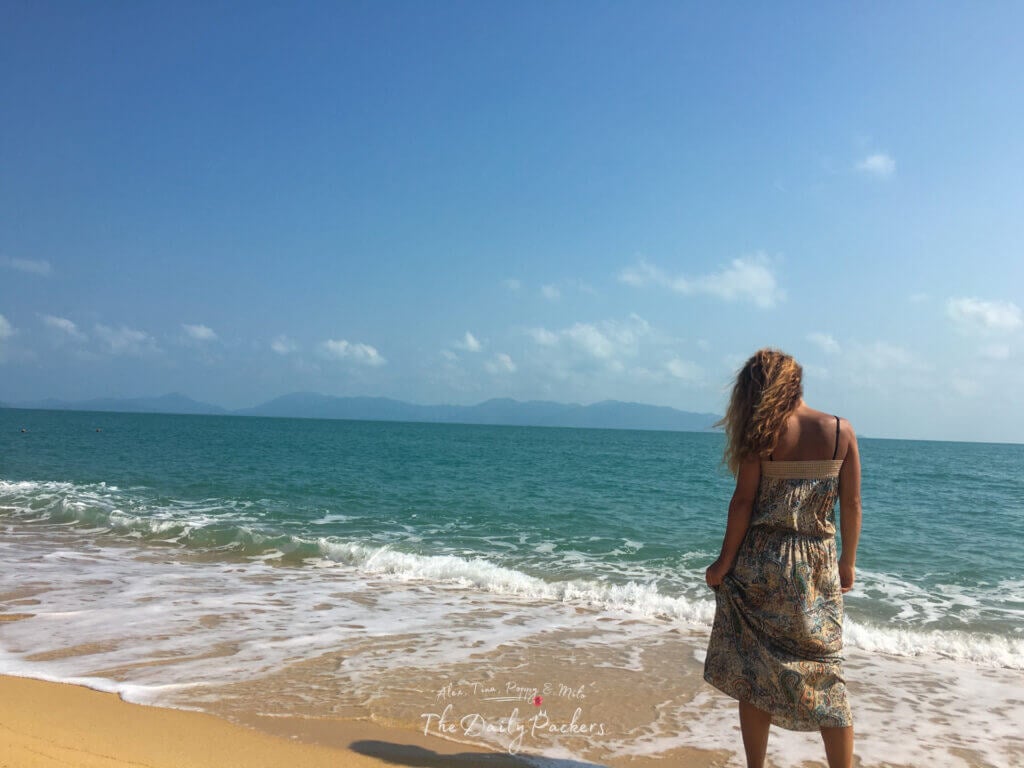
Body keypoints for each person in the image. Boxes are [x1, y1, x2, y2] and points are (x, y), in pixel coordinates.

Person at [703, 348, 861, 768]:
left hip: (763, 564)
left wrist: (722, 564)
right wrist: (848, 561)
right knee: (826, 672)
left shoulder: (764, 436)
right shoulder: (840, 431)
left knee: (755, 673)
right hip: (818, 567)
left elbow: (742, 504)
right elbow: (853, 503)